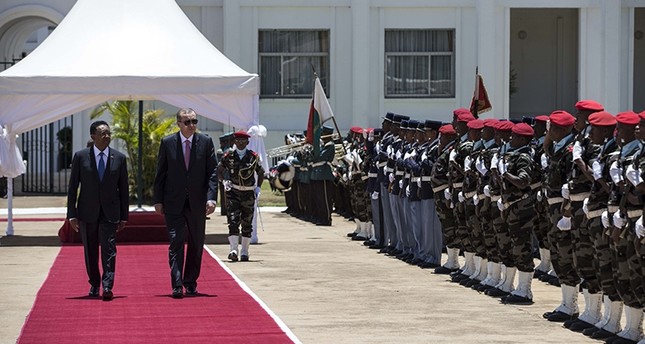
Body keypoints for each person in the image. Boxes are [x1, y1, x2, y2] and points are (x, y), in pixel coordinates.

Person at [154, 108, 218, 299]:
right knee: (176, 242)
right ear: (178, 124)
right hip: (174, 202)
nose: (191, 125)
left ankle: (190, 282)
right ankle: (176, 284)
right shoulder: (167, 143)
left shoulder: (205, 142)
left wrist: (211, 197)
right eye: (187, 122)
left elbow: (212, 172)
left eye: (194, 121)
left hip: (198, 203)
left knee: (196, 244)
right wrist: (158, 200)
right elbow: (161, 174)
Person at [66, 120, 129, 301]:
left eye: (108, 133)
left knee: (109, 249)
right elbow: (72, 188)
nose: (106, 136)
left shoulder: (119, 158)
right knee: (90, 250)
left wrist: (124, 216)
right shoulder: (81, 157)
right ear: (93, 136)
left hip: (110, 212)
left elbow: (123, 190)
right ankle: (94, 283)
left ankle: (107, 286)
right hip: (87, 212)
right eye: (102, 133)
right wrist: (72, 214)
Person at [217, 129, 265, 262]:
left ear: (248, 142)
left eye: (243, 140)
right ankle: (233, 250)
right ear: (234, 141)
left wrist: (258, 187)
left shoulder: (253, 157)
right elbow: (219, 170)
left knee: (247, 222)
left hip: (248, 193)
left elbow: (260, 172)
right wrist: (224, 181)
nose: (240, 143)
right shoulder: (229, 156)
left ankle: (244, 251)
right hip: (234, 192)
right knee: (233, 220)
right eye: (238, 140)